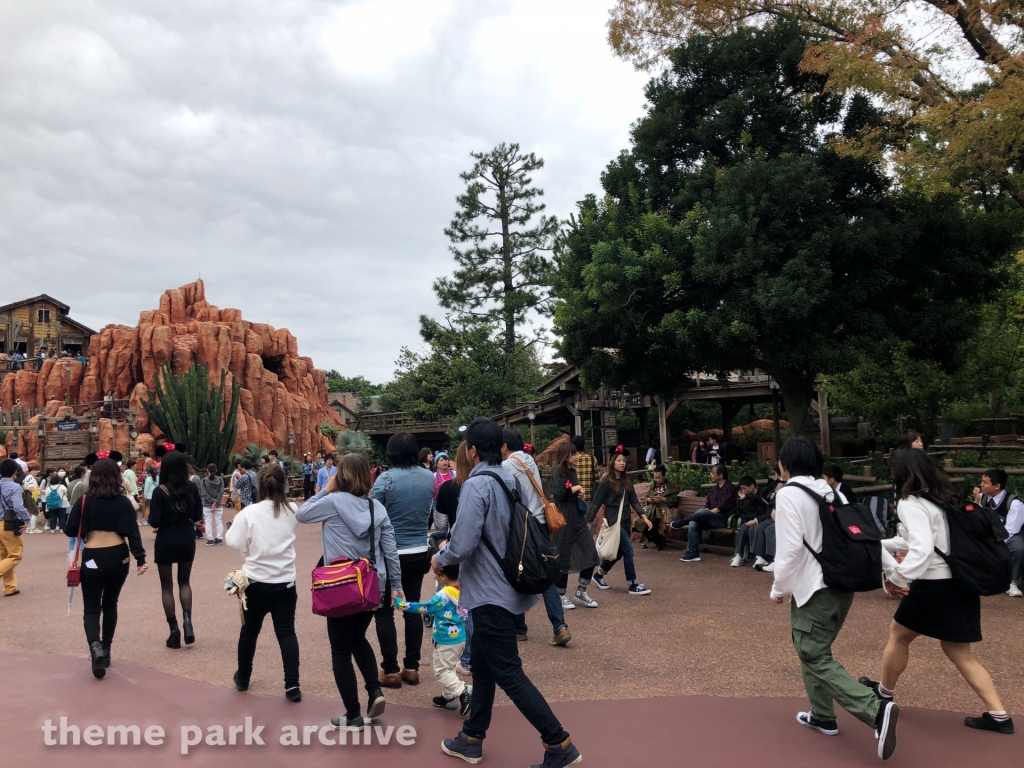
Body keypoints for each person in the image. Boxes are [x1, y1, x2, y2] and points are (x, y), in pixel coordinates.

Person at [434, 418, 583, 768]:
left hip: (489, 592)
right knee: (484, 669)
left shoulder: (476, 485)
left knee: (509, 673)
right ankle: (471, 738)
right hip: (507, 586)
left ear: (471, 451)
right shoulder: (508, 477)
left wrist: (440, 556)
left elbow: (464, 542)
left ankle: (559, 743)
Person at [859, 449, 1013, 736]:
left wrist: (897, 575)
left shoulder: (910, 502)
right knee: (959, 652)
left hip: (934, 584)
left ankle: (885, 694)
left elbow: (921, 549)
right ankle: (999, 715)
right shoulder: (942, 499)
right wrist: (879, 544)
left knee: (899, 634)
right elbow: (913, 540)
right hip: (960, 582)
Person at [770, 437, 899, 760]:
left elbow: (789, 551)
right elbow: (866, 537)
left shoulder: (787, 495)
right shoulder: (832, 491)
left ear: (787, 464)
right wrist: (892, 572)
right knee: (814, 651)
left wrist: (778, 589)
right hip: (842, 586)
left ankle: (875, 711)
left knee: (813, 654)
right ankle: (822, 714)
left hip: (814, 589)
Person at [297, 452, 403, 731]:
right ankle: (374, 691)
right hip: (371, 586)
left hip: (340, 586)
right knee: (358, 639)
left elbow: (302, 514)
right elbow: (390, 550)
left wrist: (324, 490)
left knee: (340, 650)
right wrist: (397, 585)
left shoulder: (331, 502)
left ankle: (353, 714)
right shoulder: (376, 508)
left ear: (340, 475)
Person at [64, 458, 148, 678]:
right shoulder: (123, 502)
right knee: (110, 604)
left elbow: (70, 530)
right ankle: (107, 649)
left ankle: (95, 647)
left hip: (93, 558)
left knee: (91, 608)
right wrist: (140, 558)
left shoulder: (84, 501)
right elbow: (133, 533)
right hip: (119, 557)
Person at [226, 463, 301, 702]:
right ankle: (292, 685)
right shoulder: (292, 509)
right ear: (283, 484)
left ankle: (244, 677)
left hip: (256, 582)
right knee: (287, 634)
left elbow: (234, 542)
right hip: (285, 582)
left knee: (249, 631)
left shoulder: (249, 513)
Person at [370, 432, 435, 688]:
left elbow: (372, 514)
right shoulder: (428, 477)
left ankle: (391, 670)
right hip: (419, 549)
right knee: (412, 609)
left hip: (390, 553)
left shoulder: (386, 479)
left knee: (385, 611)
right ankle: (412, 667)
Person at [501, 429, 571, 646]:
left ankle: (521, 627)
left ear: (504, 445)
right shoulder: (529, 460)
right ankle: (558, 625)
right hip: (540, 522)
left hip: (523, 525)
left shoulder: (507, 465)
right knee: (544, 571)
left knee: (517, 569)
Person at [396, 563, 471, 715]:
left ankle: (463, 691)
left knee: (441, 671)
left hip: (446, 641)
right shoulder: (463, 590)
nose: (435, 576)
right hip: (460, 638)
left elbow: (425, 608)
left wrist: (402, 604)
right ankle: (448, 697)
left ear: (444, 576)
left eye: (436, 574)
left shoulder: (444, 595)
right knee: (449, 668)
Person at [148, 450, 203, 649]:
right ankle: (188, 622)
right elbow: (198, 515)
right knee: (184, 582)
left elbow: (153, 520)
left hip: (165, 538)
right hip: (186, 536)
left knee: (166, 586)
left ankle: (174, 630)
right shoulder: (192, 487)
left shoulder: (159, 491)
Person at [588, 445, 652, 595]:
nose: (622, 463)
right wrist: (588, 521)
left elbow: (634, 501)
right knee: (629, 551)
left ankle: (599, 575)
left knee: (619, 552)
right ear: (612, 462)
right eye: (619, 460)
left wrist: (643, 516)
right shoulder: (606, 482)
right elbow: (596, 502)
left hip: (625, 521)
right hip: (613, 520)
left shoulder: (627, 481)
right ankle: (633, 584)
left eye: (624, 460)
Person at [550, 441, 601, 608]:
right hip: (563, 520)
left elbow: (570, 492)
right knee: (563, 557)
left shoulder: (573, 472)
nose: (577, 457)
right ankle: (560, 594)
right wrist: (576, 488)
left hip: (578, 519)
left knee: (591, 552)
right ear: (566, 456)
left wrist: (578, 491)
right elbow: (558, 494)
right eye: (574, 454)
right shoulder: (557, 471)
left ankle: (581, 590)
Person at [668, 464, 738, 563]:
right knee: (693, 523)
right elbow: (708, 503)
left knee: (701, 512)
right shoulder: (714, 488)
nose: (711, 474)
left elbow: (723, 506)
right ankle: (693, 553)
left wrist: (707, 512)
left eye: (713, 472)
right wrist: (706, 511)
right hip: (709, 518)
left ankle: (682, 522)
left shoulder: (731, 488)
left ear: (721, 475)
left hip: (722, 519)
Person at [972, 468, 1024, 598]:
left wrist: (993, 545)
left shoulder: (1015, 503)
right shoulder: (983, 498)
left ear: (997, 486)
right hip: (990, 535)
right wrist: (976, 501)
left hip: (1009, 537)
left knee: (1018, 547)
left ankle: (1013, 582)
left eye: (985, 482)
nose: (981, 485)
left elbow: (1011, 531)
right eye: (981, 481)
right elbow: (973, 519)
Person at [0, 459, 29, 597]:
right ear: (14, 471)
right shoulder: (14, 487)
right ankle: (9, 586)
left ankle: (10, 587)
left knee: (5, 555)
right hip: (7, 523)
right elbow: (17, 506)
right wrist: (26, 518)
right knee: (15, 555)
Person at [636, 465, 678, 550]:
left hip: (663, 511)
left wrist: (662, 498)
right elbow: (647, 496)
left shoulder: (671, 487)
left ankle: (659, 543)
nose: (657, 480)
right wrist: (650, 500)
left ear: (664, 476)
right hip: (651, 509)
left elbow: (674, 500)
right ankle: (658, 540)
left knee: (653, 523)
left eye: (659, 478)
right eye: (655, 478)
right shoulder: (653, 486)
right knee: (639, 522)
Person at [731, 475, 768, 567]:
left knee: (752, 529)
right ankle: (738, 555)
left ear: (752, 486)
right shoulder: (745, 496)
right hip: (747, 520)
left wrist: (756, 520)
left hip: (758, 520)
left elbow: (765, 510)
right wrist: (740, 500)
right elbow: (739, 512)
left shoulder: (762, 495)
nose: (743, 490)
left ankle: (757, 556)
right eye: (741, 488)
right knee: (742, 529)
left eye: (745, 488)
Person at [197, 464, 225, 546]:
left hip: (207, 505)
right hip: (218, 505)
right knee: (219, 521)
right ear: (216, 470)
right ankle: (219, 538)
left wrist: (212, 501)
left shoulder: (204, 481)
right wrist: (216, 501)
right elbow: (221, 491)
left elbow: (203, 493)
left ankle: (210, 539)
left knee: (208, 522)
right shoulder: (220, 479)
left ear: (207, 470)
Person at [40, 468, 69, 534]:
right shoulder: (61, 486)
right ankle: (62, 528)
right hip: (61, 504)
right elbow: (67, 493)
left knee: (53, 516)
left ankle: (52, 529)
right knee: (62, 516)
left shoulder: (48, 488)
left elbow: (46, 496)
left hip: (51, 504)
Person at [570, 435, 597, 502]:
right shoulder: (592, 459)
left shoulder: (570, 460)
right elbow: (598, 479)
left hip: (574, 498)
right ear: (583, 445)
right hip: (589, 498)